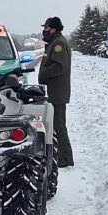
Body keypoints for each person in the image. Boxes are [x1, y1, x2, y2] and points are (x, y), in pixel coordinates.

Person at [38, 17, 74, 168]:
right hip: (56, 89)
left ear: (53, 29)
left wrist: (44, 74)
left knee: (59, 125)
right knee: (56, 124)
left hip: (58, 91)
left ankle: (65, 158)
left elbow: (59, 66)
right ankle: (60, 155)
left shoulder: (58, 43)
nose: (44, 30)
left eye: (46, 28)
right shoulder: (54, 42)